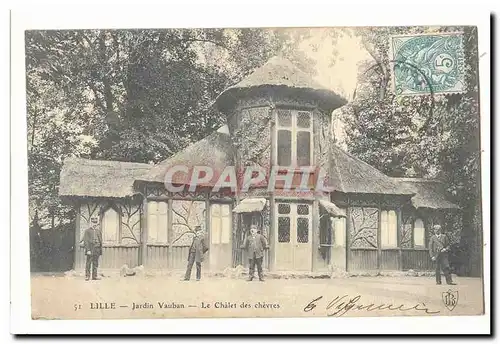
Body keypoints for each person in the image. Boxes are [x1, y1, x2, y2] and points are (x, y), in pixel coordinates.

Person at [82, 217, 102, 281]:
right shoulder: (87, 231)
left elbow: (100, 240)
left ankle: (94, 276)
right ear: (90, 223)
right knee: (89, 263)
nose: (94, 224)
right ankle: (87, 276)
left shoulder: (98, 231)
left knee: (95, 263)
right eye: (93, 222)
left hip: (97, 249)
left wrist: (100, 249)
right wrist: (88, 250)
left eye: (96, 222)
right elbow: (86, 241)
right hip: (90, 249)